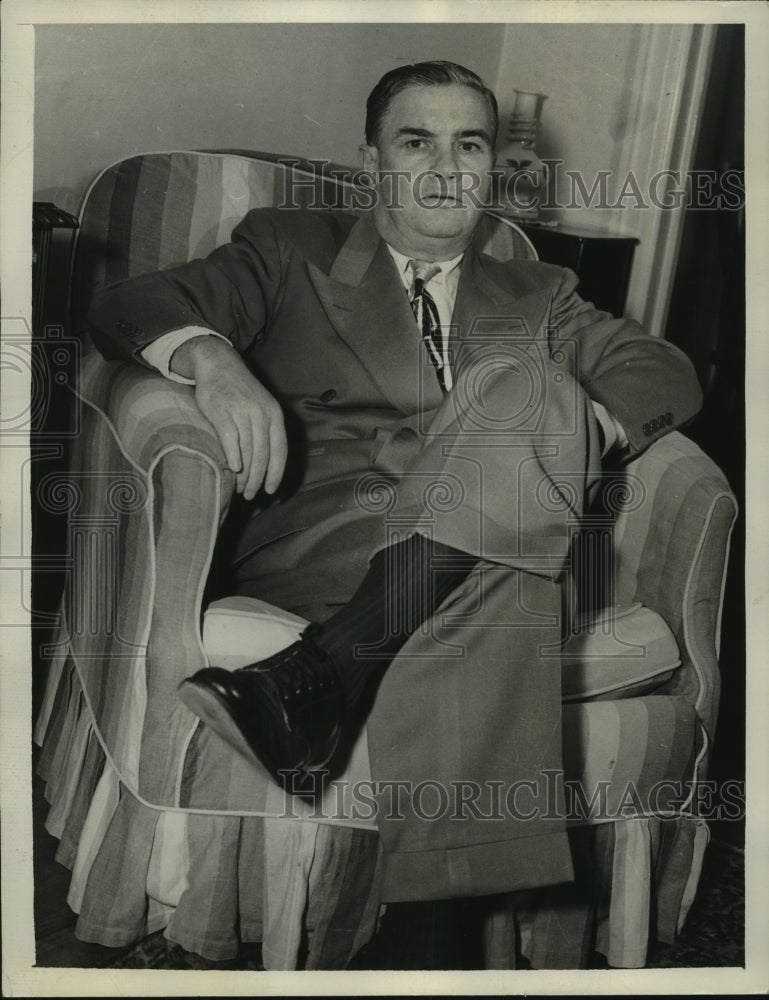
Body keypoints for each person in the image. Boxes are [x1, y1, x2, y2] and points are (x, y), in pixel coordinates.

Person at [87, 61, 702, 902]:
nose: (447, 170)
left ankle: (333, 672)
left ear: (492, 164)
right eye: (417, 143)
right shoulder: (286, 249)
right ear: (373, 159)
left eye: (469, 145)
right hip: (335, 540)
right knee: (511, 541)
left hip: (500, 547)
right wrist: (210, 358)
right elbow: (127, 303)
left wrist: (571, 431)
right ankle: (443, 930)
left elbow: (661, 370)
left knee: (532, 402)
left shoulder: (540, 289)